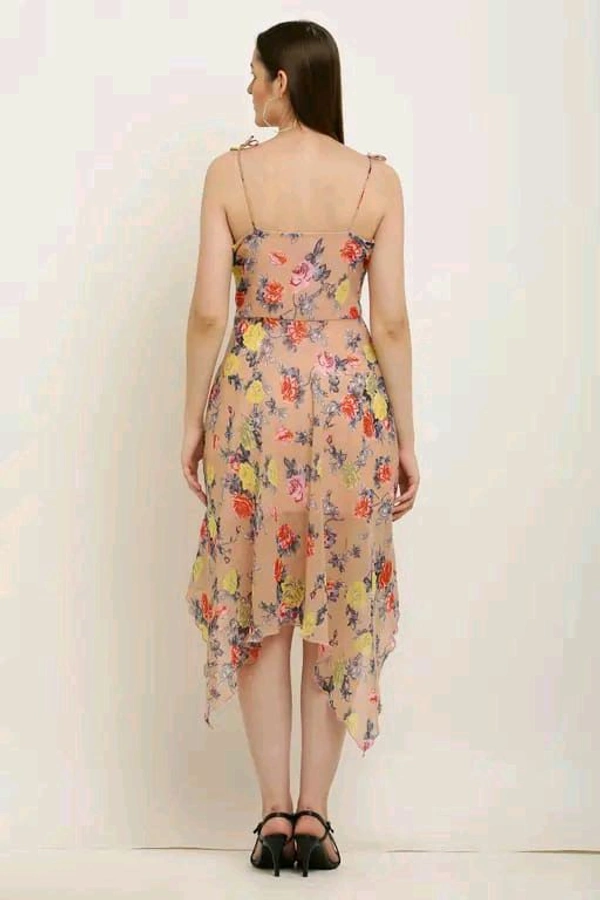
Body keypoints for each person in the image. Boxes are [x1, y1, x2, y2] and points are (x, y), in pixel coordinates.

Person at [181, 20, 419, 877]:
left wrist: (192, 420)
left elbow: (209, 312)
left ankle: (272, 817)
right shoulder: (376, 181)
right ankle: (315, 818)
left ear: (283, 80)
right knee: (335, 603)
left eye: (254, 73)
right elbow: (390, 321)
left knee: (259, 608)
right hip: (351, 407)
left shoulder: (230, 175)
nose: (248, 88)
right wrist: (406, 436)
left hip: (254, 406)